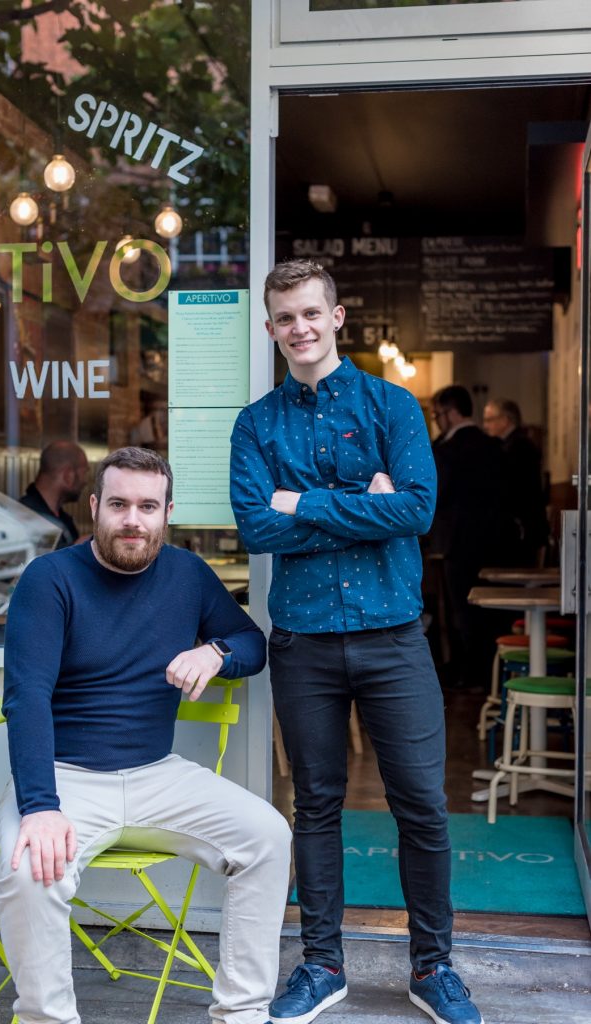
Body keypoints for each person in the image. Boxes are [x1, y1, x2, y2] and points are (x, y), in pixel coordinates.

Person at [230, 260, 482, 1024]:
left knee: (422, 807)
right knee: (314, 806)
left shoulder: (392, 406)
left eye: (311, 313)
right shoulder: (255, 425)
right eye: (284, 318)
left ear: (336, 317)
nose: (299, 328)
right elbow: (256, 527)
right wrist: (359, 505)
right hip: (303, 643)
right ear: (270, 329)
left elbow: (414, 512)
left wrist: (301, 501)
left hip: (393, 639)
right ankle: (321, 965)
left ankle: (432, 966)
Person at [0, 446, 291, 1024]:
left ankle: (242, 1012)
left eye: (147, 507)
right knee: (30, 872)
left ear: (167, 513)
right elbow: (25, 697)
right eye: (119, 505)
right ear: (94, 507)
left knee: (269, 836)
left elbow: (252, 643)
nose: (133, 520)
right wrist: (40, 807)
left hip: (158, 772)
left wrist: (215, 652)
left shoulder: (187, 573)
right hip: (66, 776)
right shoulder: (49, 578)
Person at [429, 385, 509, 690]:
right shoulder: (494, 446)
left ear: (451, 413)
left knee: (462, 610)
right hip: (494, 541)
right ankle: (491, 674)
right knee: (490, 611)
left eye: (437, 415)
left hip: (457, 541)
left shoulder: (446, 451)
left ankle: (469, 674)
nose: (437, 421)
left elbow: (437, 494)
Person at [482, 397, 549, 566]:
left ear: (505, 420)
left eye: (489, 420)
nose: (485, 426)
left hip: (520, 532)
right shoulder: (514, 444)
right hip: (520, 529)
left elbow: (511, 491)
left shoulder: (518, 446)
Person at [19, 440, 89, 548]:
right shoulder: (23, 518)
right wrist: (78, 548)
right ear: (68, 475)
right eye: (84, 473)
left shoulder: (65, 521)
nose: (85, 482)